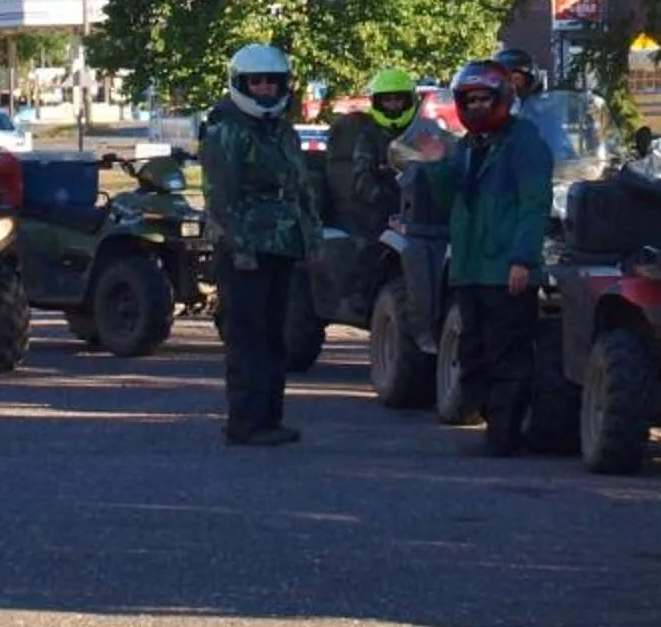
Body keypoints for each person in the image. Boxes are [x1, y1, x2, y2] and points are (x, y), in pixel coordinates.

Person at [406, 57, 552, 455]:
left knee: (508, 357)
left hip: (506, 270)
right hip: (470, 269)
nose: (476, 107)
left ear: (503, 98)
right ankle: (496, 428)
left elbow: (534, 205)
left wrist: (523, 259)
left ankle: (504, 438)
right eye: (468, 100)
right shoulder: (467, 147)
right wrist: (436, 166)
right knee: (473, 356)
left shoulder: (526, 143)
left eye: (484, 99)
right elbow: (452, 200)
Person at [200, 40, 313, 447]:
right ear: (240, 83)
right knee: (247, 337)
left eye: (273, 81)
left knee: (273, 335)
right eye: (257, 81)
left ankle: (270, 419)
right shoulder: (226, 129)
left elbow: (300, 186)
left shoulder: (281, 128)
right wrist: (240, 248)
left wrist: (310, 239)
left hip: (281, 245)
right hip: (244, 251)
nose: (265, 88)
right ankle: (246, 422)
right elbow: (220, 197)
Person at [321, 66, 419, 244]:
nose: (394, 105)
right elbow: (363, 181)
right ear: (377, 102)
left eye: (399, 100)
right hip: (378, 221)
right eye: (387, 100)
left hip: (419, 216)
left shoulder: (421, 132)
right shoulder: (368, 136)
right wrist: (391, 201)